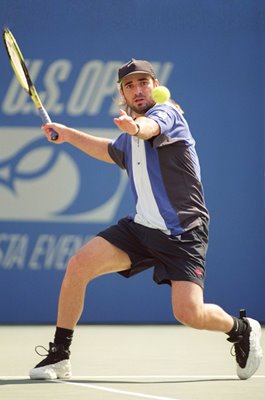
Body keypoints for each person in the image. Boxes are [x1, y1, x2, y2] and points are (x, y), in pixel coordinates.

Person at [29, 59, 262, 381]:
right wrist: (68, 135)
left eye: (143, 83)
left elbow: (149, 128)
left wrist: (137, 127)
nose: (137, 89)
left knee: (188, 313)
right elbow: (112, 151)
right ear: (122, 93)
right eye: (130, 85)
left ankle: (241, 329)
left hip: (183, 232)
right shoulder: (129, 133)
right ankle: (59, 355)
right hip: (141, 228)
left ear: (155, 86)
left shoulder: (168, 114)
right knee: (78, 265)